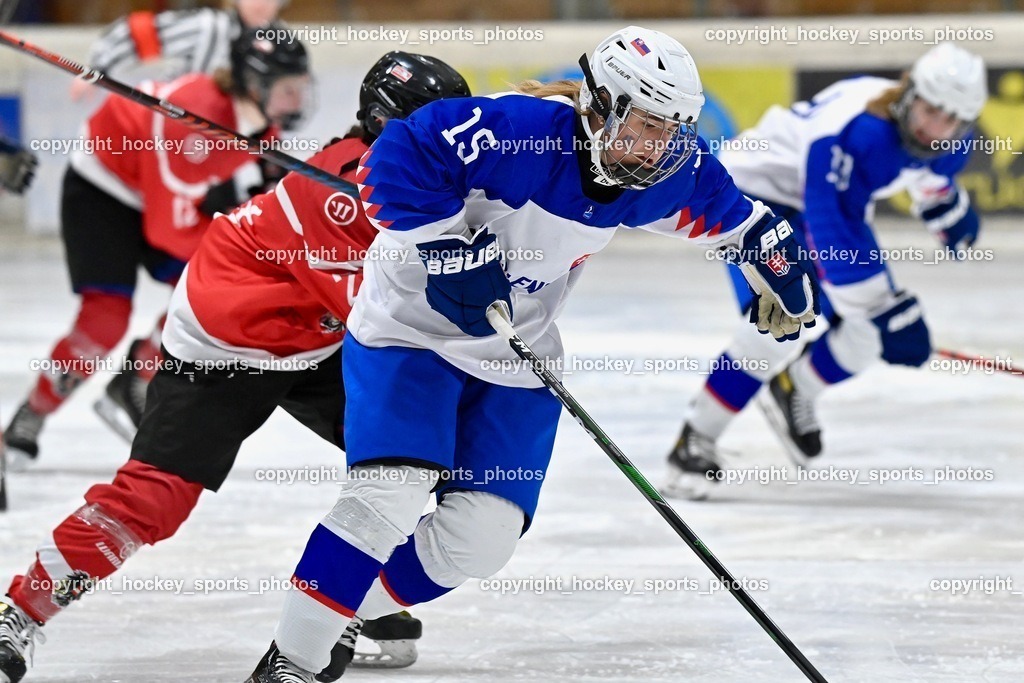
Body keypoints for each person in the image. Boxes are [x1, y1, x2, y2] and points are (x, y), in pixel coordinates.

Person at [243, 25, 821, 682]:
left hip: (514, 354)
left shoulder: (660, 170)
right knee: (388, 495)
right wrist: (442, 245)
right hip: (410, 332)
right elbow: (396, 154)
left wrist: (774, 259)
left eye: (670, 130)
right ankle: (293, 660)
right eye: (643, 125)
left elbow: (740, 218)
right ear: (599, 104)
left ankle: (338, 607)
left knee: (481, 538)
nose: (656, 147)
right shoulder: (516, 132)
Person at [0, 52, 470, 683]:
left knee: (423, 456)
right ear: (387, 125)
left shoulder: (401, 174)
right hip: (227, 343)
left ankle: (353, 599)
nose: (453, 146)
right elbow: (382, 318)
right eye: (436, 130)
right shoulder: (338, 199)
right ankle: (20, 610)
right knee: (154, 501)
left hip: (311, 332)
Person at [664, 42, 987, 499]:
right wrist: (880, 307)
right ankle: (695, 439)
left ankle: (798, 386)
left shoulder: (942, 137)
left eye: (951, 121)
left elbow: (927, 172)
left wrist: (945, 210)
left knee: (868, 333)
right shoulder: (857, 133)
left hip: (810, 203)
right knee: (779, 324)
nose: (937, 129)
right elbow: (832, 225)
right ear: (910, 94)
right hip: (751, 199)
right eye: (931, 111)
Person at [1, 31, 311, 468]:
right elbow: (168, 231)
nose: (296, 100)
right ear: (254, 85)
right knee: (104, 320)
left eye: (300, 87)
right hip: (103, 190)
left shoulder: (261, 122)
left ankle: (134, 379)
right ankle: (29, 416)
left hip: (158, 196)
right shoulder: (193, 125)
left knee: (221, 290)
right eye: (287, 89)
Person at [70, 0, 287, 100]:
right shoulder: (209, 26)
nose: (262, 3)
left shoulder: (281, 45)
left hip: (224, 147)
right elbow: (140, 30)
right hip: (175, 132)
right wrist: (98, 67)